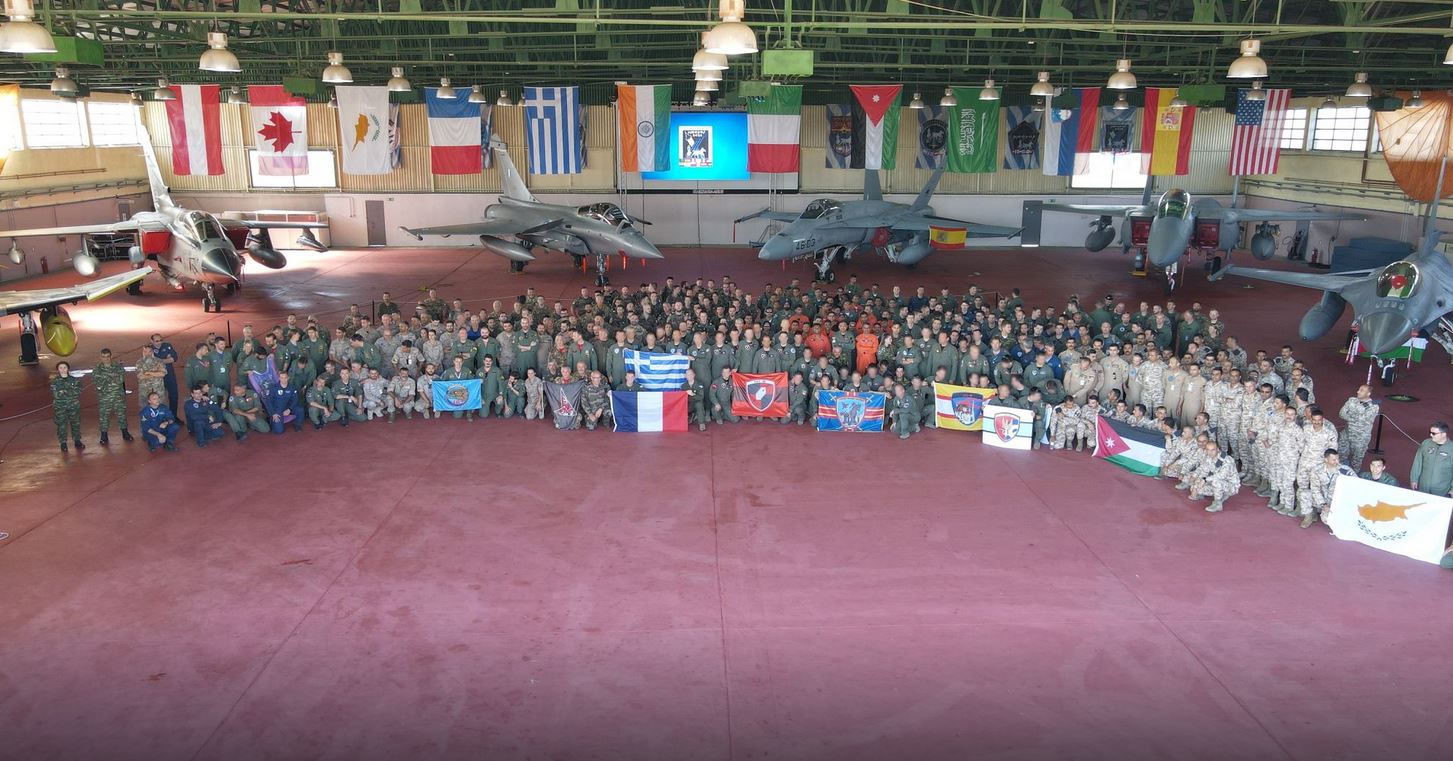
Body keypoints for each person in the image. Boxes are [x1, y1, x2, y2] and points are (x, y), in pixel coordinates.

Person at [1187, 439, 1241, 513]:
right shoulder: (1208, 458)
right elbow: (1204, 472)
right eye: (1208, 450)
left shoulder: (1227, 459)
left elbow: (1221, 476)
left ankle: (1217, 503)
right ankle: (1220, 494)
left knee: (1216, 482)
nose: (1210, 452)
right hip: (1216, 483)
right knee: (1195, 487)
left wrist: (1205, 480)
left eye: (1213, 450)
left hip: (1231, 486)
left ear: (1218, 449)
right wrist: (1197, 485)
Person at [1306, 449, 1356, 528]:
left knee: (1328, 519)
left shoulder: (1345, 470)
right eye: (1334, 460)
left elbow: (1356, 484)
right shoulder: (1316, 471)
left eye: (1338, 459)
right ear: (1326, 460)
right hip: (1322, 499)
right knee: (1305, 494)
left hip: (1336, 501)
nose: (1337, 462)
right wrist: (1323, 505)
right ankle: (1311, 514)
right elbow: (1315, 490)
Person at [92, 348, 133, 445]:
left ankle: (125, 432)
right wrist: (112, 378)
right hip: (104, 397)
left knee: (121, 415)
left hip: (118, 396)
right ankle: (104, 435)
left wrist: (106, 378)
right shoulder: (97, 369)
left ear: (111, 356)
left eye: (107, 356)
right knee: (104, 417)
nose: (106, 359)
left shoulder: (118, 366)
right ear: (100, 357)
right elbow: (98, 383)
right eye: (103, 357)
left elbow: (120, 380)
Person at [1337, 384, 1379, 472]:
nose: (1358, 392)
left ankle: (1354, 476)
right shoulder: (1352, 400)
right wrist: (1355, 417)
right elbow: (1341, 414)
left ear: (1368, 393)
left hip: (1360, 438)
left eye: (1361, 390)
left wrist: (1350, 416)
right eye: (1359, 389)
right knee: (1340, 456)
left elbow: (1363, 420)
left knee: (1356, 461)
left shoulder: (1374, 406)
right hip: (1347, 434)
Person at [1410, 422, 1453, 497]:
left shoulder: (1451, 448)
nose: (1430, 435)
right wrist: (1414, 479)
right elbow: (1417, 462)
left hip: (1442, 490)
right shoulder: (1426, 443)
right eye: (1430, 432)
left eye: (1434, 433)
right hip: (1423, 486)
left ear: (1443, 434)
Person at [50, 361, 85, 452]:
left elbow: (79, 391)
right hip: (60, 407)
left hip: (73, 406)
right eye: (60, 368)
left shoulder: (74, 380)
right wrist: (70, 392)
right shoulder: (55, 382)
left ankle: (77, 440)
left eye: (64, 367)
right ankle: (63, 443)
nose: (63, 370)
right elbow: (56, 395)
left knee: (75, 423)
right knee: (61, 424)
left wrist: (64, 392)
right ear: (58, 370)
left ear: (68, 369)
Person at [183, 383, 226, 448]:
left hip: (206, 423)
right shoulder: (188, 404)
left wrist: (219, 422)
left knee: (221, 432)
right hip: (194, 426)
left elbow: (217, 409)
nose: (199, 395)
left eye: (200, 393)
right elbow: (193, 417)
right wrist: (207, 417)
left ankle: (202, 435)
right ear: (192, 394)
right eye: (196, 393)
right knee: (199, 422)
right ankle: (201, 442)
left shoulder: (205, 401)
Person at [150, 333, 180, 413]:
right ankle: (161, 416)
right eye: (157, 341)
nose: (159, 342)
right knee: (159, 397)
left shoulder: (167, 345)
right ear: (152, 341)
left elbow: (174, 358)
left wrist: (160, 360)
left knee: (174, 396)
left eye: (161, 340)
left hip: (170, 375)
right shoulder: (150, 349)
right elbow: (151, 362)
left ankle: (173, 416)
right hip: (158, 378)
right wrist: (167, 359)